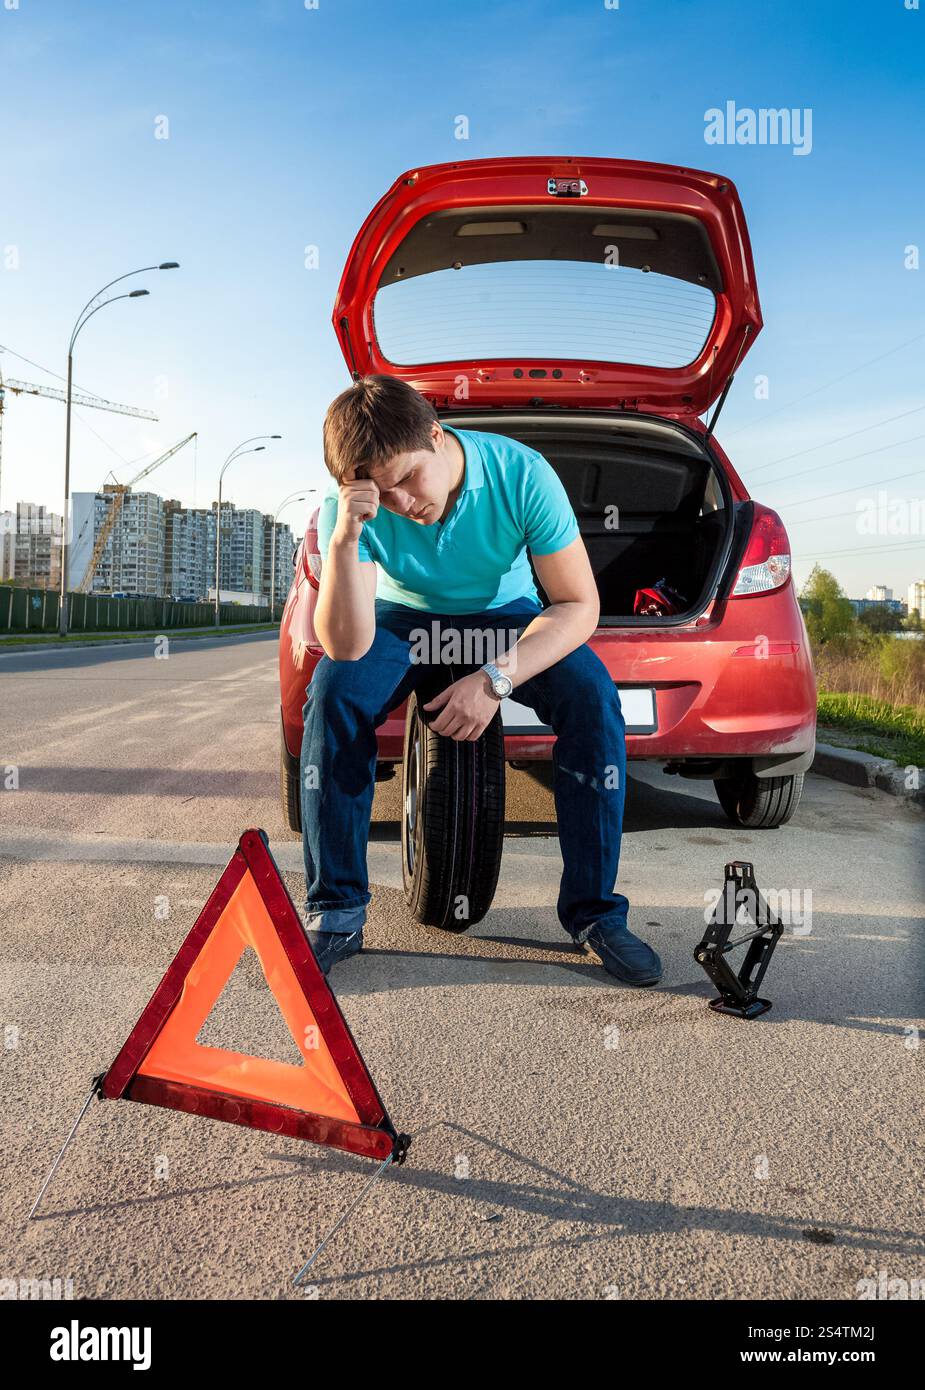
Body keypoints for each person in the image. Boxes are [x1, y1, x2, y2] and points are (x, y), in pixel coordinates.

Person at [300, 374, 661, 987]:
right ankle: (336, 910)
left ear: (437, 437)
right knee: (334, 692)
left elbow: (578, 606)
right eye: (380, 494)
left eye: (409, 479)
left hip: (503, 615)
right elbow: (346, 644)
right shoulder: (351, 509)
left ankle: (595, 914)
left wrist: (495, 679)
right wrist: (344, 538)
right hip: (404, 617)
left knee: (595, 701)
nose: (403, 505)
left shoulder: (522, 474)